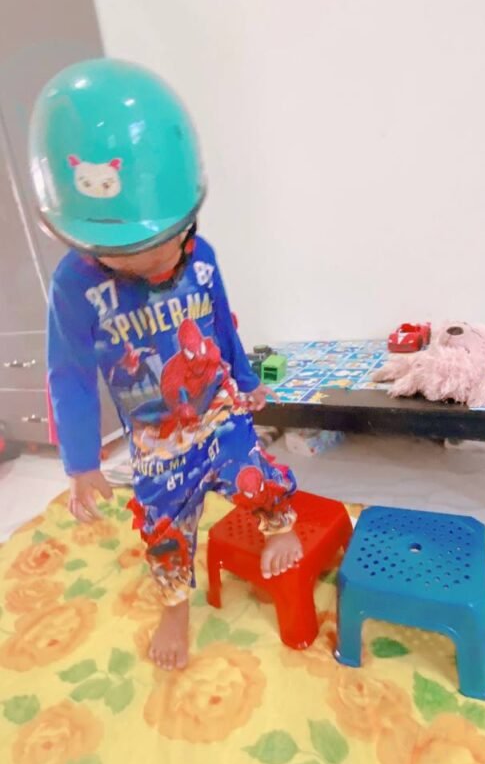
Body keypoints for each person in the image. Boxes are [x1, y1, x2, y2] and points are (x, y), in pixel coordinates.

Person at [30, 58, 302, 671]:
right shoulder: (75, 287)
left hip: (220, 411)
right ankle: (175, 609)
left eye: (164, 245)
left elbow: (221, 321)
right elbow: (68, 374)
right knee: (165, 529)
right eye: (125, 256)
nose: (153, 266)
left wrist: (249, 381)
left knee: (253, 470)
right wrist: (80, 462)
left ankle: (278, 524)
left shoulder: (201, 256)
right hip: (156, 440)